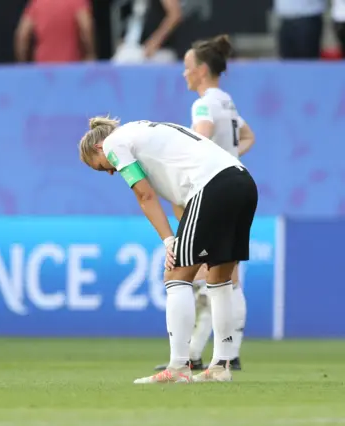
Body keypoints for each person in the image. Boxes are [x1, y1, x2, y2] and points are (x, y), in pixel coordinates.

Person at [79, 117, 258, 383]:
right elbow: (180, 197)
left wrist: (168, 240)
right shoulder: (143, 131)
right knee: (219, 279)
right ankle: (220, 367)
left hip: (213, 186)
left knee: (176, 276)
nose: (110, 172)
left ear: (98, 148)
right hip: (243, 182)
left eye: (101, 167)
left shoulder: (115, 144)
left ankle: (177, 368)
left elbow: (145, 195)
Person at [153, 34, 255, 372]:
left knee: (189, 276)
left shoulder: (203, 104)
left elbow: (200, 136)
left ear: (200, 70)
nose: (184, 74)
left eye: (186, 68)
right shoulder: (227, 101)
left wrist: (196, 159)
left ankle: (190, 354)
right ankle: (227, 353)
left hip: (210, 191)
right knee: (227, 276)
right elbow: (247, 136)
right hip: (236, 186)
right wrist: (233, 157)